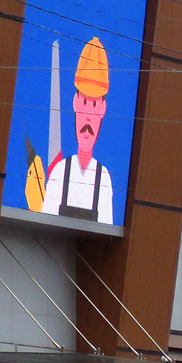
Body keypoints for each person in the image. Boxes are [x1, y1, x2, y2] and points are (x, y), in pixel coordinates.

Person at [42, 37, 116, 224]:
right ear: (75, 102)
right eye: (84, 102)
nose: (88, 118)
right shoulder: (60, 172)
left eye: (94, 104)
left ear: (102, 108)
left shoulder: (103, 179)